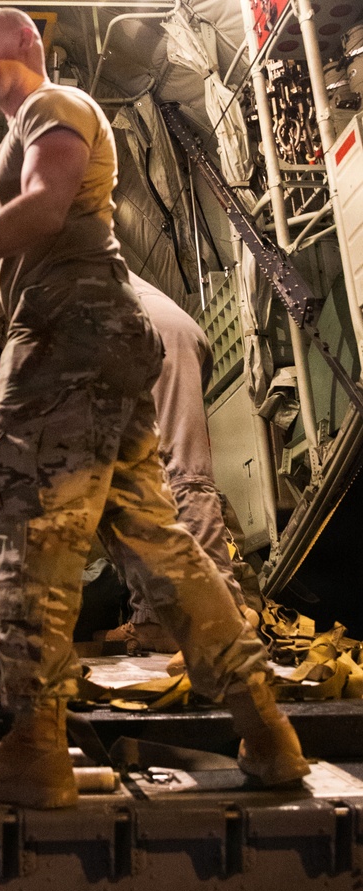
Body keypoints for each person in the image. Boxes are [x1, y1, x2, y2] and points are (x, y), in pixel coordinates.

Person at [0, 8, 307, 810]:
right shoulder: (2, 146)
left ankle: (35, 748)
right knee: (157, 544)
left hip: (69, 328)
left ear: (29, 42)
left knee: (29, 529)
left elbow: (46, 205)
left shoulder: (53, 105)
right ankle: (267, 729)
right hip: (89, 335)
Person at [122, 271, 261, 648]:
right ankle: (153, 619)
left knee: (182, 477)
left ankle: (224, 620)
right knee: (134, 489)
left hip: (150, 337)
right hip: (138, 339)